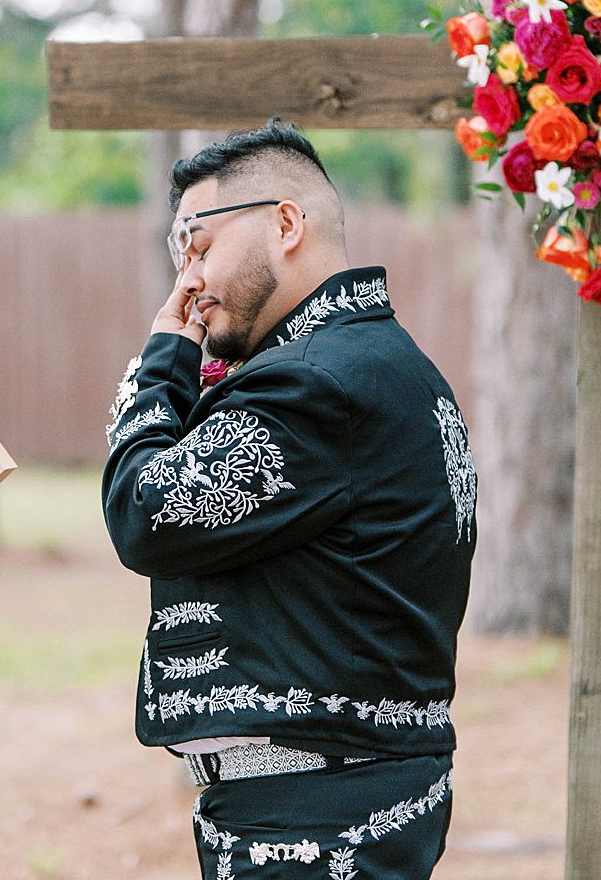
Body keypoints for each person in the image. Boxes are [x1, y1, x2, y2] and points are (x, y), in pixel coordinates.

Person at [101, 121, 477, 879]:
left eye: (200, 246)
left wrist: (164, 360)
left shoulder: (314, 384)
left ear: (284, 222)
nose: (189, 282)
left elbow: (146, 511)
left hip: (316, 814)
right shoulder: (377, 361)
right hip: (342, 793)